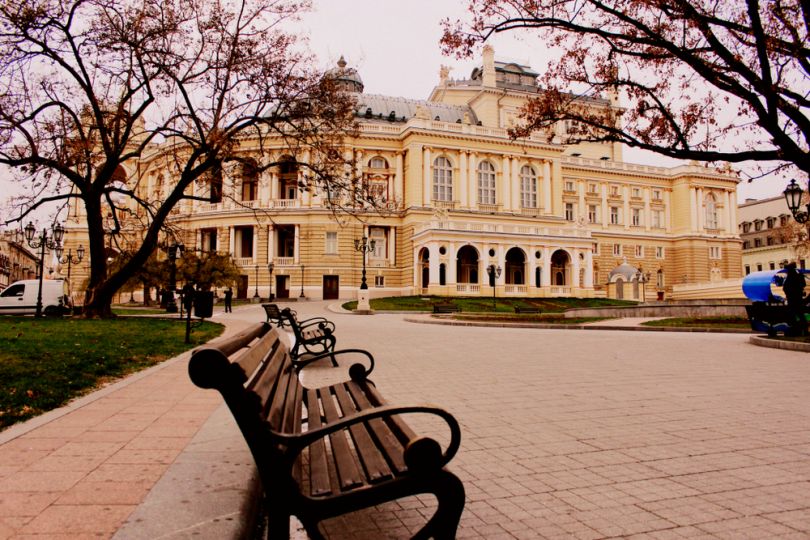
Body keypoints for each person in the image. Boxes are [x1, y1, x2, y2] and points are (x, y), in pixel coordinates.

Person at [782, 262, 806, 335]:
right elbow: (803, 284)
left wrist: (788, 293)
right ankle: (804, 330)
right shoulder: (799, 275)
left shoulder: (790, 276)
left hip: (792, 299)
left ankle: (795, 330)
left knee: (792, 315)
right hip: (798, 298)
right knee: (800, 315)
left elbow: (785, 287)